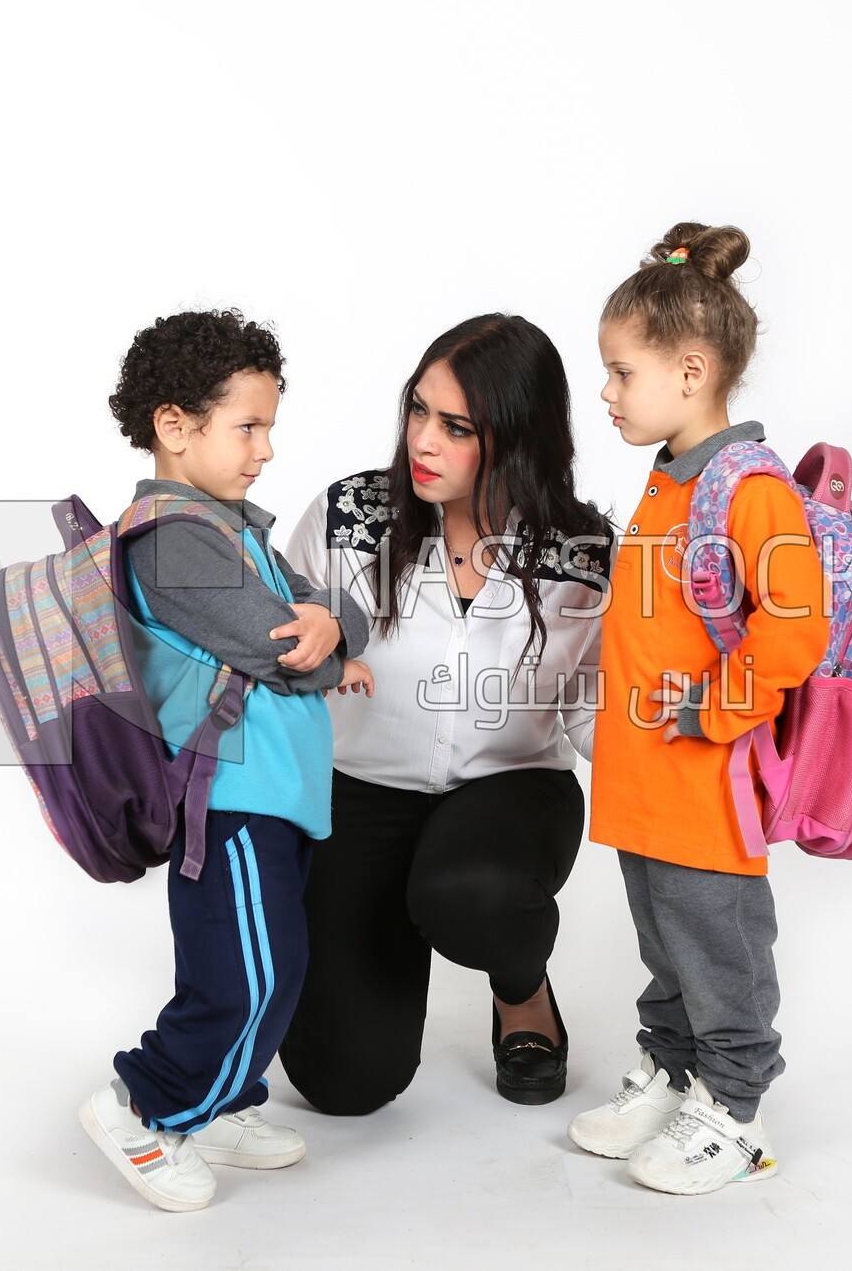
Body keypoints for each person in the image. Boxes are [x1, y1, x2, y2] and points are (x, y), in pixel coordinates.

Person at [76, 309, 374, 1212]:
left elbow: (338, 609)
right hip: (230, 795)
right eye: (248, 426)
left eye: (269, 426)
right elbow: (286, 642)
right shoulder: (172, 538)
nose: (267, 448)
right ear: (175, 426)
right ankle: (143, 1102)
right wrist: (324, 639)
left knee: (260, 960)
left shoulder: (235, 526)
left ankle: (222, 1101)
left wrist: (328, 625)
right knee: (252, 970)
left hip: (279, 794)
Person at [277, 313, 612, 1114]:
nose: (422, 440)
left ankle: (521, 988)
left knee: (469, 891)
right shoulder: (346, 517)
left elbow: (595, 710)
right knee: (343, 1080)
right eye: (417, 409)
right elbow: (276, 655)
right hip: (359, 789)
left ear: (518, 437)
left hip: (513, 789)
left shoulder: (582, 550)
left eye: (455, 426)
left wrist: (699, 735)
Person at [566, 223, 830, 1194]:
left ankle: (736, 1108)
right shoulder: (668, 477)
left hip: (703, 780)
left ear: (688, 371)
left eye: (619, 371)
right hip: (644, 779)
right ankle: (673, 1070)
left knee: (718, 941)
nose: (606, 391)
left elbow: (794, 632)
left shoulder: (749, 489)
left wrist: (714, 712)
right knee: (663, 937)